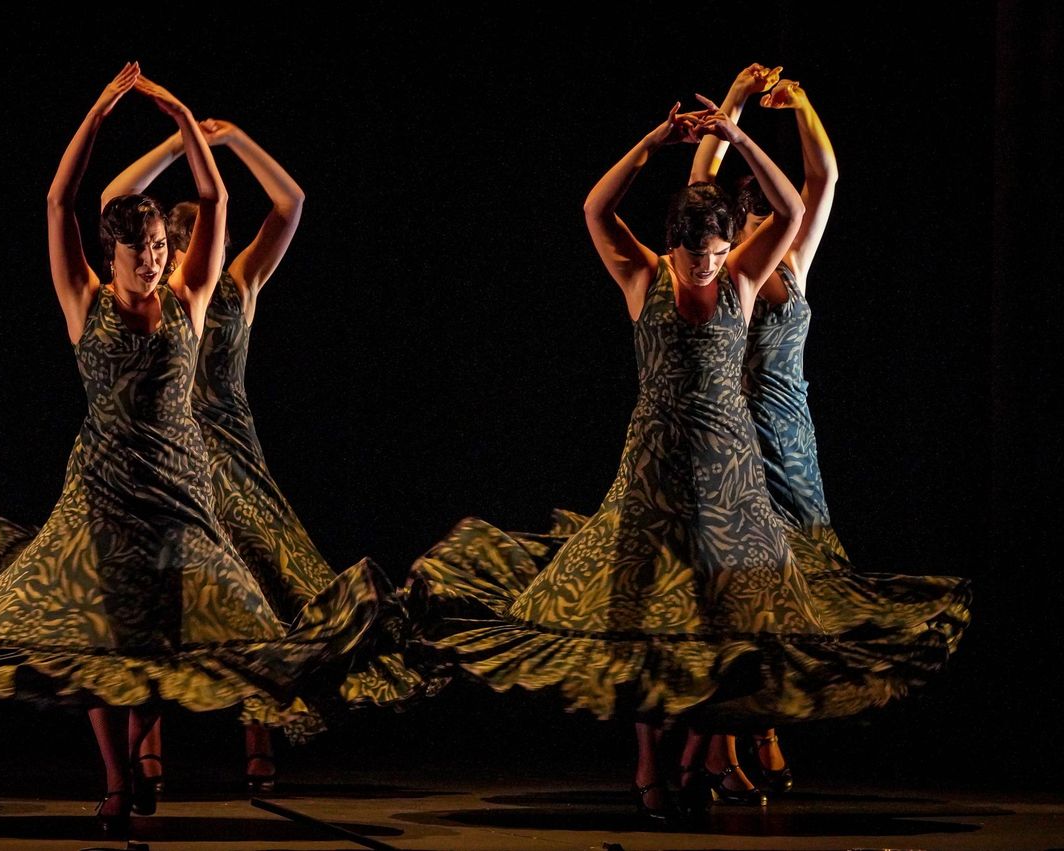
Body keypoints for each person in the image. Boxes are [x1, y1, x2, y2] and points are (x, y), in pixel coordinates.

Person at [0, 65, 382, 837]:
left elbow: (219, 198)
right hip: (101, 492)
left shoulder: (192, 297)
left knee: (161, 638)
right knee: (97, 638)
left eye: (159, 246)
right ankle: (118, 776)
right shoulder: (82, 300)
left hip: (180, 494)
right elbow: (60, 201)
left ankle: (159, 755)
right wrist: (96, 110)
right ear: (113, 254)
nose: (154, 259)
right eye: (141, 250)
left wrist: (186, 117)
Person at [405, 95, 970, 824]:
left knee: (725, 624)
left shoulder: (739, 279)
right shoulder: (645, 280)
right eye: (692, 254)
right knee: (641, 615)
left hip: (734, 477)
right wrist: (651, 140)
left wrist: (736, 131)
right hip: (655, 469)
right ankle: (649, 768)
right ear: (671, 246)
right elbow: (594, 207)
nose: (703, 265)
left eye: (712, 253)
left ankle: (712, 755)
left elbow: (796, 211)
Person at [98, 119, 433, 794]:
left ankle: (257, 730)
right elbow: (114, 201)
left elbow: (292, 205)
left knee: (256, 593)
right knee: (161, 597)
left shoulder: (237, 285)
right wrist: (173, 145)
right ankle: (150, 740)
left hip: (232, 454)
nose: (194, 255)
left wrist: (233, 142)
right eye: (181, 244)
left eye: (201, 243)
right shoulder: (156, 298)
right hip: (164, 458)